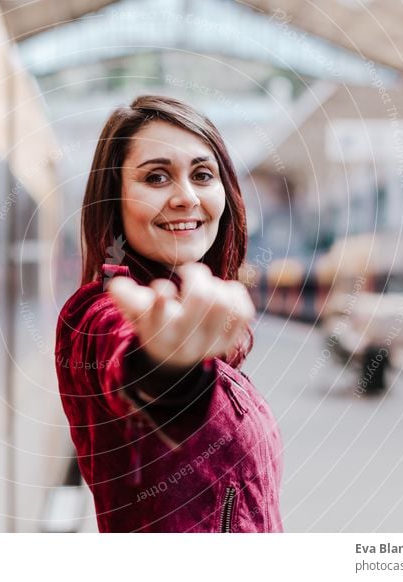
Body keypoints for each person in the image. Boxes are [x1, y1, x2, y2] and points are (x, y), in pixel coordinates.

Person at [54, 95, 283, 533]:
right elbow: (126, 362)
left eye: (202, 174)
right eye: (156, 177)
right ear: (114, 200)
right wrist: (165, 367)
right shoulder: (96, 311)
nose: (186, 197)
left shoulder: (188, 304)